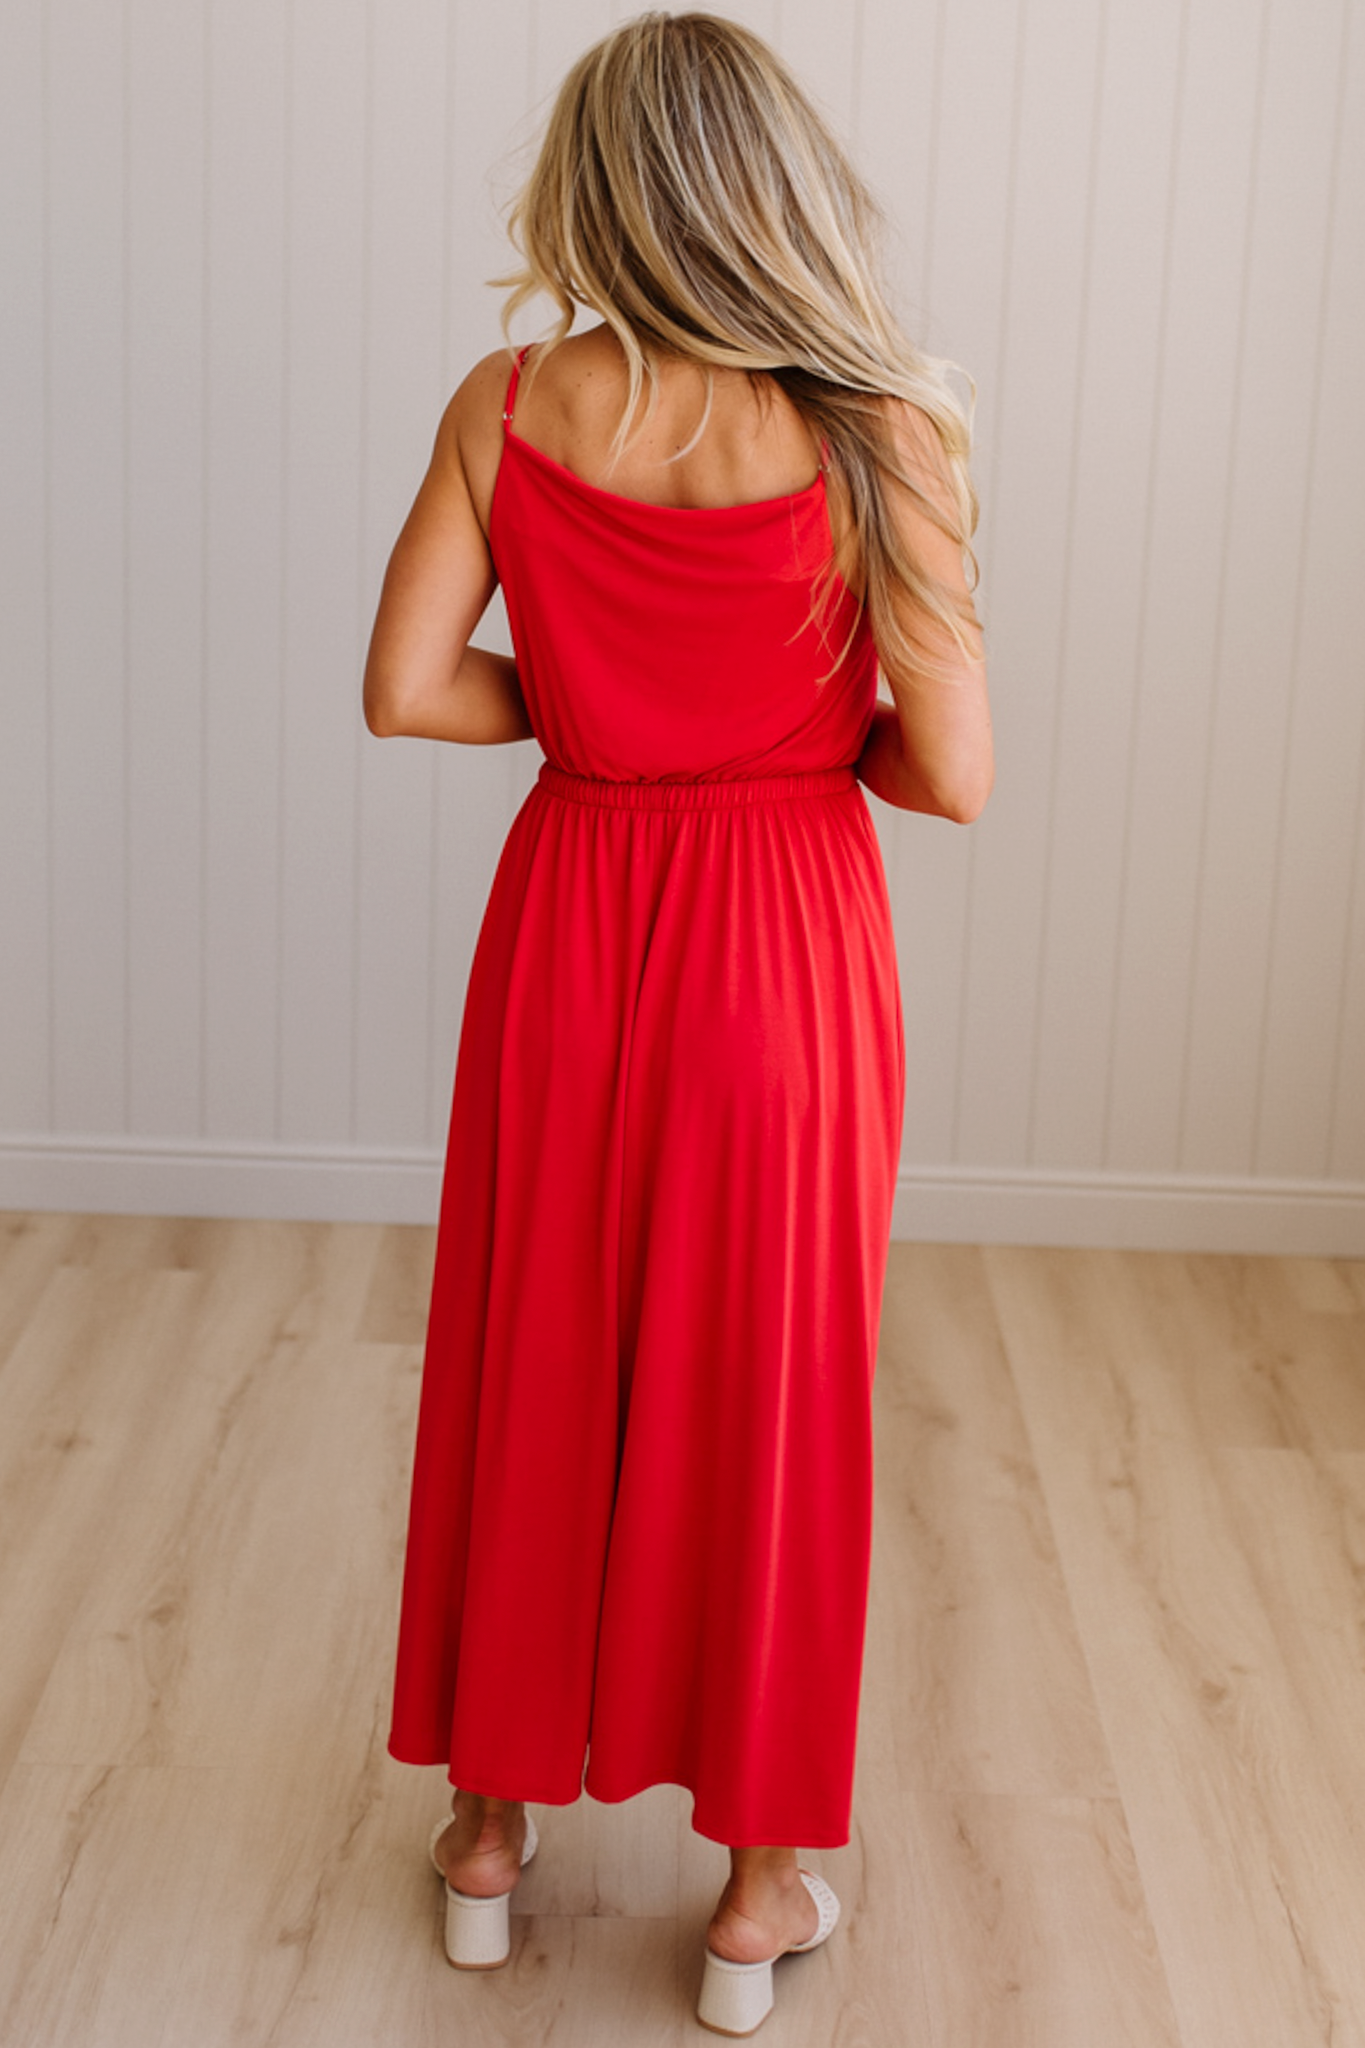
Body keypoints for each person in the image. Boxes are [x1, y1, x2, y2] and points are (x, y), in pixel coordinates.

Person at [363, 10, 992, 2035]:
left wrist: (603, 716)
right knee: (769, 1392)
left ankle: (484, 1835)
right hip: (782, 946)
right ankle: (755, 1894)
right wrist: (775, 734)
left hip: (570, 920)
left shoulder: (508, 400)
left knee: (534, 1342)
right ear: (779, 191)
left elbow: (404, 689)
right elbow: (951, 773)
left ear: (589, 191)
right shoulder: (879, 431)